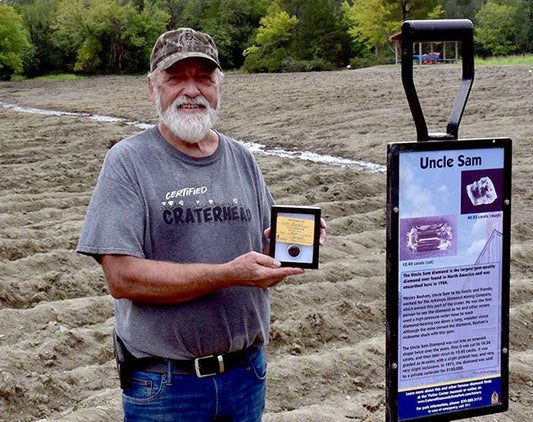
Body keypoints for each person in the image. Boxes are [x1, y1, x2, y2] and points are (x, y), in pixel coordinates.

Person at [77, 28, 326, 421]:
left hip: (246, 376)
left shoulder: (241, 158)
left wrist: (292, 248)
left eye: (204, 78)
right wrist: (228, 274)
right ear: (152, 88)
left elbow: (261, 259)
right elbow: (122, 278)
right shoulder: (128, 161)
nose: (190, 90)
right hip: (167, 386)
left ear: (219, 88)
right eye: (175, 78)